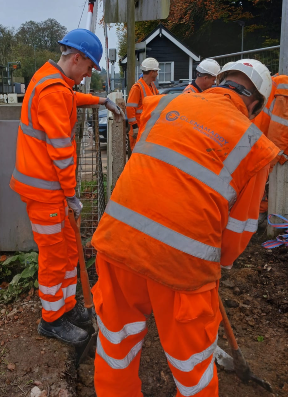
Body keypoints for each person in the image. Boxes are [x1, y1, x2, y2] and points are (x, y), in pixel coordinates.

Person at [91, 59, 279, 397]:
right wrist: (217, 268)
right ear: (256, 104)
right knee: (192, 365)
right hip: (182, 268)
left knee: (116, 346)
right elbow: (238, 232)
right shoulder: (254, 144)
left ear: (219, 81)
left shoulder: (164, 103)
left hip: (117, 241)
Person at [10, 28, 123, 346]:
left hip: (48, 189)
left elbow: (71, 97)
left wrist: (101, 101)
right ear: (77, 58)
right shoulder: (53, 92)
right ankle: (51, 319)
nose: (88, 75)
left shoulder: (50, 79)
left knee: (69, 249)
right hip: (45, 190)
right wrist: (71, 194)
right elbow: (61, 151)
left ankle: (69, 306)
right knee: (53, 255)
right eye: (89, 69)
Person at [252, 72, 288, 220]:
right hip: (266, 145)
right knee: (262, 183)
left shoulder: (274, 81)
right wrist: (278, 156)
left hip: (257, 140)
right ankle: (260, 216)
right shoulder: (284, 88)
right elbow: (280, 127)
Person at [126, 58, 159, 151]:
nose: (157, 74)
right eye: (156, 71)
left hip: (147, 129)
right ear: (151, 72)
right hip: (139, 130)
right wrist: (134, 127)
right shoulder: (137, 87)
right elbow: (129, 108)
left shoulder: (152, 86)